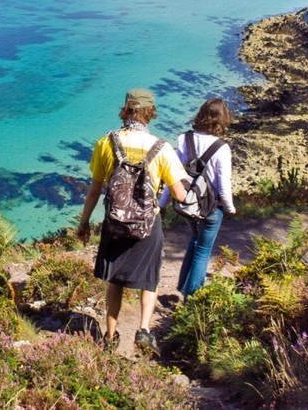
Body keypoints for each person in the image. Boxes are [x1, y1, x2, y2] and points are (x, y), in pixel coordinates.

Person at [76, 88, 188, 356]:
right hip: (148, 225)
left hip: (114, 223)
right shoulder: (161, 148)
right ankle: (144, 331)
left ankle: (110, 336)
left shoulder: (106, 142)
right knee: (149, 279)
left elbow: (94, 191)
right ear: (150, 113)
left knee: (115, 279)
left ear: (125, 110)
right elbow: (180, 194)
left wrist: (83, 224)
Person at [174, 97, 235, 300]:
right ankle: (192, 298)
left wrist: (164, 202)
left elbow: (175, 176)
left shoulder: (184, 139)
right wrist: (230, 208)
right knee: (203, 250)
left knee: (194, 239)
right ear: (223, 120)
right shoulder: (222, 147)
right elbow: (223, 185)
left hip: (189, 203)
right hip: (211, 207)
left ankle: (183, 284)